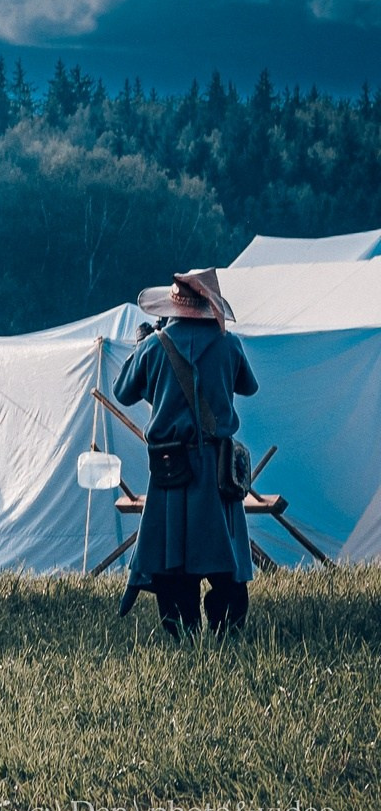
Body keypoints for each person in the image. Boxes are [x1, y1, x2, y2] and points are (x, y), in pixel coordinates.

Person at [116, 269, 259, 638]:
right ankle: (226, 629)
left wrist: (143, 347)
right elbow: (248, 385)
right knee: (224, 561)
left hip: (171, 468)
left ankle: (184, 632)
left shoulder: (154, 347)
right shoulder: (230, 345)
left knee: (173, 562)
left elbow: (123, 391)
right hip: (216, 468)